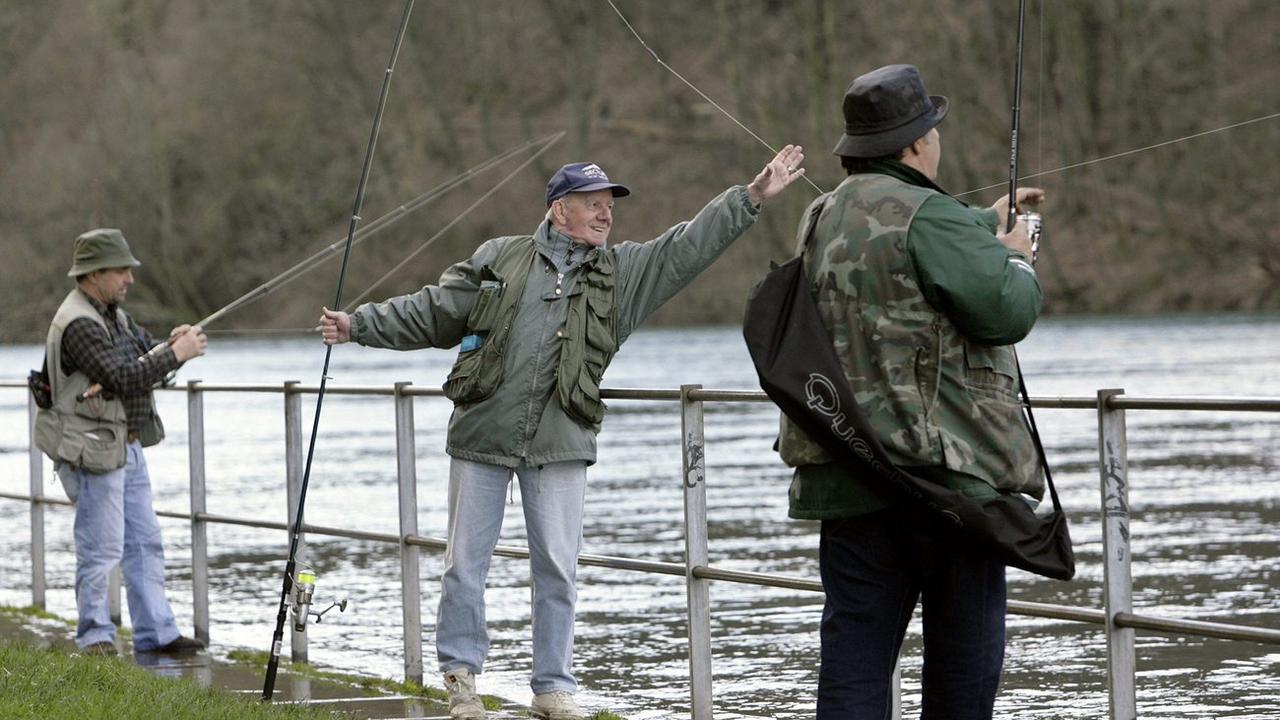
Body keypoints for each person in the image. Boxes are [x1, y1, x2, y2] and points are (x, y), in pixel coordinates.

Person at [320, 147, 806, 720]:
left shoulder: (624, 275)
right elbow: (432, 311)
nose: (605, 215)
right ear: (558, 211)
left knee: (557, 566)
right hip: (481, 434)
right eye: (592, 205)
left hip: (562, 443)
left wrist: (749, 199)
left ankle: (553, 688)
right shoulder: (500, 257)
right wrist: (358, 326)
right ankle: (461, 681)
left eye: (609, 206)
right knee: (464, 565)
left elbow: (687, 247)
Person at [775, 65, 1046, 719]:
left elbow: (888, 252)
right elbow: (1009, 311)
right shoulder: (935, 217)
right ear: (918, 143)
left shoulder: (818, 216)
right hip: (945, 486)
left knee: (855, 662)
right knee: (963, 668)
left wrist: (983, 225)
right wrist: (1018, 254)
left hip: (846, 478)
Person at [34, 228, 209, 657]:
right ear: (94, 275)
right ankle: (95, 638)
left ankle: (157, 635)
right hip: (92, 451)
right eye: (121, 271)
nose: (130, 279)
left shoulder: (112, 313)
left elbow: (141, 354)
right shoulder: (78, 323)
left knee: (145, 542)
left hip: (123, 444)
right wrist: (179, 354)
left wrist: (169, 343)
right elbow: (124, 376)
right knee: (101, 548)